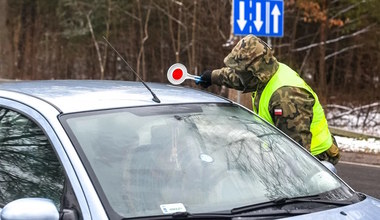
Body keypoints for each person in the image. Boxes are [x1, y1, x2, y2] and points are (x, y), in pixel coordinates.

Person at [197, 34, 340, 165]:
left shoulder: (286, 98)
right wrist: (212, 76)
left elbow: (296, 156)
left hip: (316, 160)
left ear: (255, 71)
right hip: (285, 152)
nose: (238, 74)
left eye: (241, 71)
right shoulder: (267, 73)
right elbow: (240, 78)